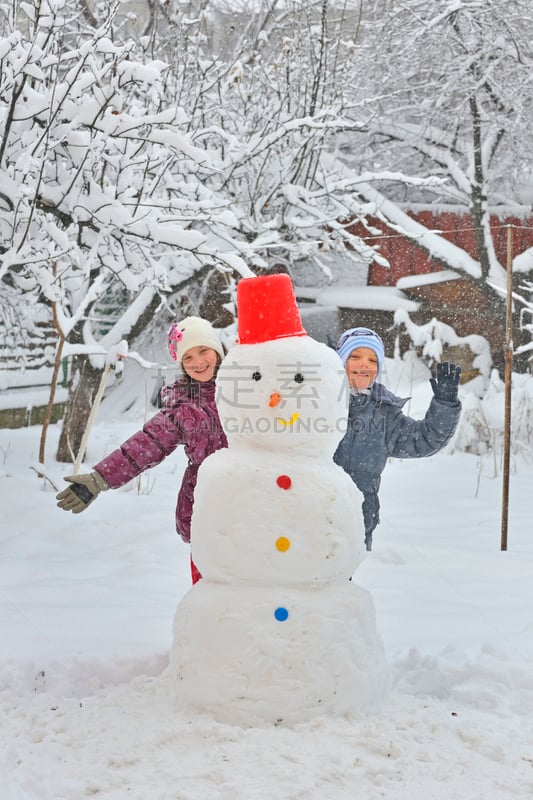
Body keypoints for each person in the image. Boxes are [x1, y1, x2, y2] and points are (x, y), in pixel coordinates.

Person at [56, 317, 228, 584]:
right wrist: (99, 479)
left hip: (254, 499)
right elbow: (146, 444)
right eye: (188, 357)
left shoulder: (251, 388)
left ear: (218, 350)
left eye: (203, 351)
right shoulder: (183, 408)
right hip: (207, 503)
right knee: (214, 590)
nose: (198, 362)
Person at [333, 327, 462, 551]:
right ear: (339, 361)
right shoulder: (318, 403)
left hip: (354, 522)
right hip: (307, 516)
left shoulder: (384, 414)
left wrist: (445, 404)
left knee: (341, 584)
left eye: (373, 360)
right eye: (355, 356)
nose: (365, 364)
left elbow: (424, 439)